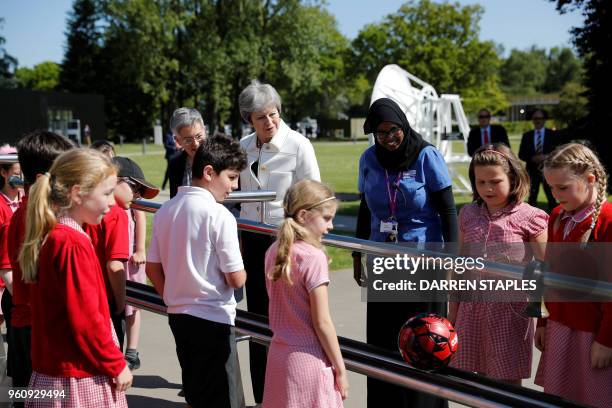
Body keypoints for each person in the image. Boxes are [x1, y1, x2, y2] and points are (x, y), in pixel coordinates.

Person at [353, 97, 457, 408]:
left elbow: (448, 211)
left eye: (393, 130)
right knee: (385, 341)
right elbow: (363, 208)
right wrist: (358, 254)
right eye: (380, 132)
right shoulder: (369, 159)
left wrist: (451, 260)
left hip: (423, 261)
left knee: (424, 340)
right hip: (384, 260)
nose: (388, 138)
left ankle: (425, 403)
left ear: (403, 125)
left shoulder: (427, 155)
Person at [19, 148, 132, 407]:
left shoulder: (57, 235)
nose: (112, 202)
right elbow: (87, 320)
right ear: (77, 193)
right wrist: (116, 364)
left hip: (56, 374)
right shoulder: (71, 243)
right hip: (78, 378)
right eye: (106, 193)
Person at [146, 136, 247, 408]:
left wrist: (170, 294)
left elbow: (152, 267)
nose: (234, 187)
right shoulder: (220, 215)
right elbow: (236, 277)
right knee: (224, 396)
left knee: (195, 390)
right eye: (232, 177)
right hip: (214, 317)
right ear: (209, 172)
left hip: (179, 315)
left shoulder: (166, 210)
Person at [238, 80, 321, 404]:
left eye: (273, 114)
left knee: (287, 317)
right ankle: (263, 395)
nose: (269, 122)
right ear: (249, 120)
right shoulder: (243, 146)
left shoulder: (298, 144)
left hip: (283, 238)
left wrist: (307, 240)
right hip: (251, 236)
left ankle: (292, 393)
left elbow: (313, 194)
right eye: (261, 117)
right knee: (257, 317)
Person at [448, 144, 548, 385]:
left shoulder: (530, 217)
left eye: (495, 181)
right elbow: (458, 265)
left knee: (507, 385)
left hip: (510, 314)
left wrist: (544, 320)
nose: (487, 188)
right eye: (480, 182)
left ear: (513, 178)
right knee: (478, 383)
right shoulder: (468, 214)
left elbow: (547, 269)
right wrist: (452, 314)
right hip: (471, 312)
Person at [535, 143, 612, 407]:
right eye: (551, 187)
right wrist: (543, 321)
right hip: (560, 326)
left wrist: (606, 340)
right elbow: (549, 274)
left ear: (590, 179)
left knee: (595, 397)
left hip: (593, 333)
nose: (555, 195)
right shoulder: (556, 216)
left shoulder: (608, 222)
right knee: (560, 397)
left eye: (563, 187)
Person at [0, 131, 74, 396]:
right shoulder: (49, 223)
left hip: (27, 329)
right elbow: (8, 270)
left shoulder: (21, 217)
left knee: (27, 398)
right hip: (41, 331)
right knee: (44, 398)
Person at [263, 180, 347, 407]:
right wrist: (340, 369)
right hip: (309, 359)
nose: (330, 226)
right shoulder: (313, 257)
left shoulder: (274, 250)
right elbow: (322, 322)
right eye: (327, 218)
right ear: (303, 215)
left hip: (279, 357)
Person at [112, 157, 159, 370]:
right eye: (135, 187)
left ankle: (131, 351)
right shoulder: (112, 215)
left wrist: (140, 249)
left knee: (133, 309)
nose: (138, 195)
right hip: (111, 284)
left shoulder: (125, 208)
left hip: (127, 268)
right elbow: (112, 264)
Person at [0, 144, 23, 382]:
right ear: (4, 173)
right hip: (5, 281)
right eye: (15, 172)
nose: (20, 178)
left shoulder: (25, 201)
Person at [518, 109, 559, 211]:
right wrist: (532, 158)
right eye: (536, 118)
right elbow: (521, 154)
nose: (538, 121)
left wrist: (547, 157)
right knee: (532, 199)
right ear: (532, 120)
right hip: (532, 171)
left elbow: (559, 152)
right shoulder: (527, 135)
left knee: (552, 198)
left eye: (540, 118)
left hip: (549, 171)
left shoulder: (553, 134)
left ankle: (555, 220)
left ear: (544, 120)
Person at [167, 108, 206, 198]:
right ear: (178, 141)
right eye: (188, 140)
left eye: (199, 136)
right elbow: (174, 199)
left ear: (204, 130)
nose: (195, 143)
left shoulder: (221, 157)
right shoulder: (175, 163)